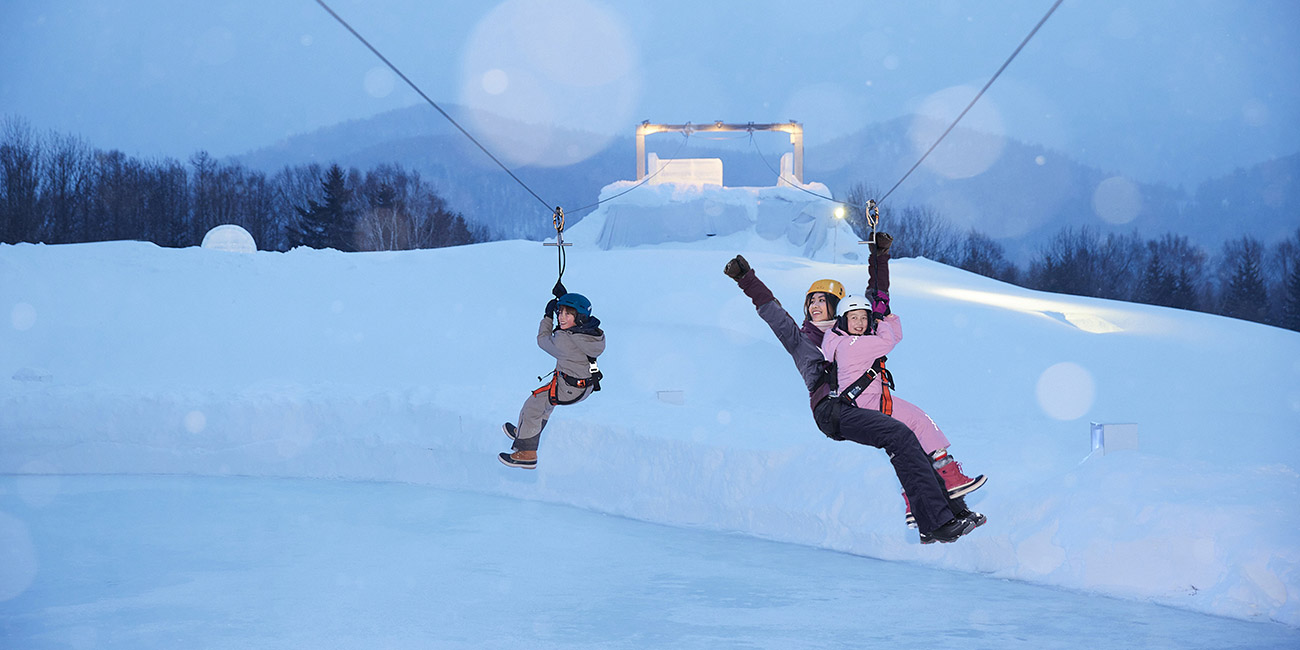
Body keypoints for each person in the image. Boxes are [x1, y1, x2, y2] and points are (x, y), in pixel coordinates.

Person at [723, 254, 979, 544]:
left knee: (911, 438)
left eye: (823, 300)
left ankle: (953, 512)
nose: (815, 305)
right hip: (831, 410)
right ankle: (936, 523)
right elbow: (774, 313)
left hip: (861, 405)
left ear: (837, 307)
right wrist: (747, 279)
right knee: (899, 435)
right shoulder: (801, 340)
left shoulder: (854, 330)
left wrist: (879, 255)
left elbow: (877, 298)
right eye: (811, 300)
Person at [823, 233, 987, 527]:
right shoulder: (852, 346)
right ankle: (949, 475)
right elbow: (889, 342)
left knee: (910, 445)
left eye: (864, 318)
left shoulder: (841, 339)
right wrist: (882, 319)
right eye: (854, 319)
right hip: (871, 404)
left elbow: (891, 335)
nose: (860, 323)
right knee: (921, 421)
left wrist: (884, 314)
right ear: (843, 322)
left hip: (870, 401)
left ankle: (915, 500)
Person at [500, 283, 605, 469]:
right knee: (544, 404)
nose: (561, 317)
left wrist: (547, 316)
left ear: (579, 318)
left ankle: (526, 453)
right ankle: (526, 431)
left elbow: (543, 340)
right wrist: (564, 300)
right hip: (582, 386)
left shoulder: (566, 340)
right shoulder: (591, 334)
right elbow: (570, 331)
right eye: (559, 312)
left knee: (532, 406)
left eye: (567, 314)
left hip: (569, 388)